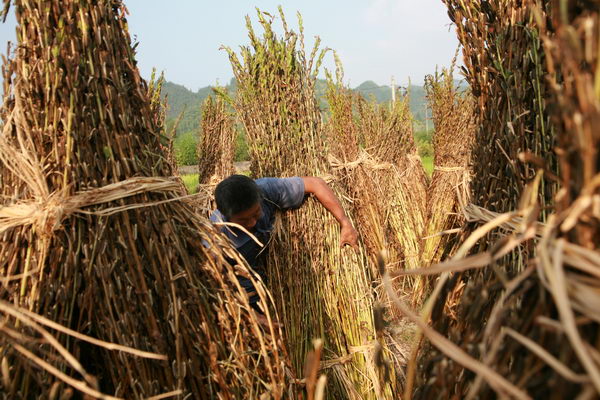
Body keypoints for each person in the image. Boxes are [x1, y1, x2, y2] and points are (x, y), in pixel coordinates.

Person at [210, 174, 359, 314]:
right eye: (243, 221)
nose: (253, 222)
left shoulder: (265, 190)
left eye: (256, 213)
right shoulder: (216, 235)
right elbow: (216, 287)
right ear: (226, 216)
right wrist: (251, 315)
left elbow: (315, 183)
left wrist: (345, 223)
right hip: (245, 285)